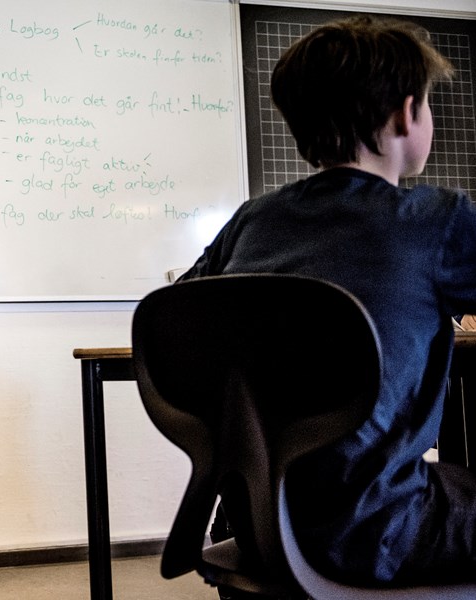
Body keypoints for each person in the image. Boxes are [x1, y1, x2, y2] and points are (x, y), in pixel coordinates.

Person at [178, 15, 476, 589]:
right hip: (384, 527)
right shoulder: (436, 221)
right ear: (406, 113)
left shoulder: (252, 221)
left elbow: (182, 313)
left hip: (258, 523)